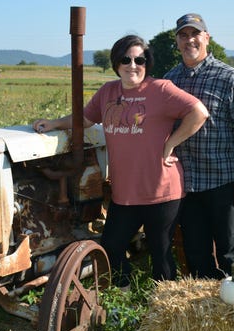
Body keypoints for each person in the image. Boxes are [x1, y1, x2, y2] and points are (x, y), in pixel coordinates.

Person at [33, 35, 208, 288]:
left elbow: (198, 112)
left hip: (161, 190)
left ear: (147, 63)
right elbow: (85, 119)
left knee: (160, 252)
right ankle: (124, 293)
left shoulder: (161, 89)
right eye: (126, 59)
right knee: (112, 246)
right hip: (125, 192)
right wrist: (54, 124)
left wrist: (171, 143)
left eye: (140, 59)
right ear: (116, 63)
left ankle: (162, 310)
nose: (133, 65)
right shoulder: (108, 92)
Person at [164, 13, 234, 279]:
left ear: (206, 38)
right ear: (176, 42)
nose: (189, 40)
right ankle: (205, 313)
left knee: (229, 253)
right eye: (183, 35)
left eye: (195, 34)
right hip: (188, 184)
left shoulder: (229, 78)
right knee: (196, 254)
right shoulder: (169, 81)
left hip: (223, 183)